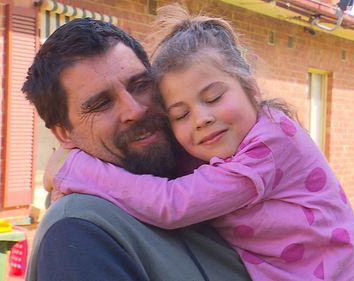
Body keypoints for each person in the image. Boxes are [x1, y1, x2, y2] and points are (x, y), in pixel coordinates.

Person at [49, 4, 354, 281]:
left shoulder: (269, 144)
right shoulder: (74, 230)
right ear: (63, 132)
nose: (201, 118)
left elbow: (171, 203)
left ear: (252, 88)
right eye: (179, 114)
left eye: (214, 96)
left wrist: (75, 169)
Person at [22, 17, 251, 281]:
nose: (135, 109)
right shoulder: (78, 231)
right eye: (101, 104)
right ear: (64, 134)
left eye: (141, 85)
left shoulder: (203, 172)